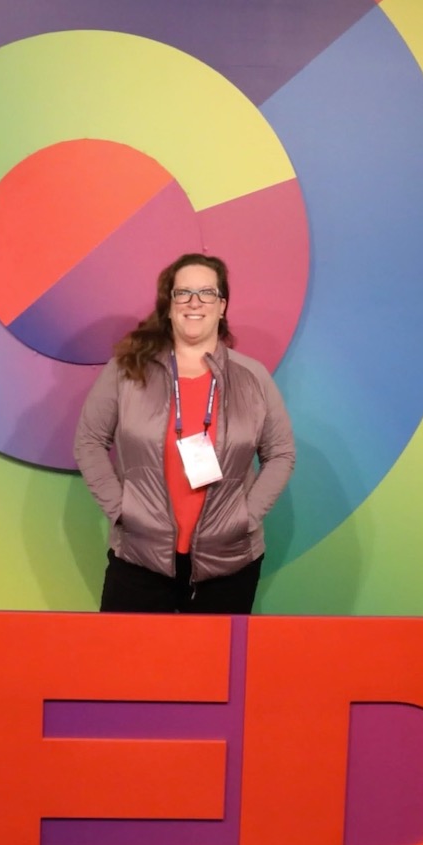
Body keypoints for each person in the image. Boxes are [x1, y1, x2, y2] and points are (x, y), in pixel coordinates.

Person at [74, 253, 295, 613]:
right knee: (127, 666)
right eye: (183, 293)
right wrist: (121, 510)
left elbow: (281, 453)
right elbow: (89, 442)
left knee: (210, 669)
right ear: (170, 304)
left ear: (222, 305)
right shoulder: (127, 370)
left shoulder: (252, 377)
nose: (195, 302)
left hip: (230, 562)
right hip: (139, 557)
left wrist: (247, 516)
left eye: (207, 292)